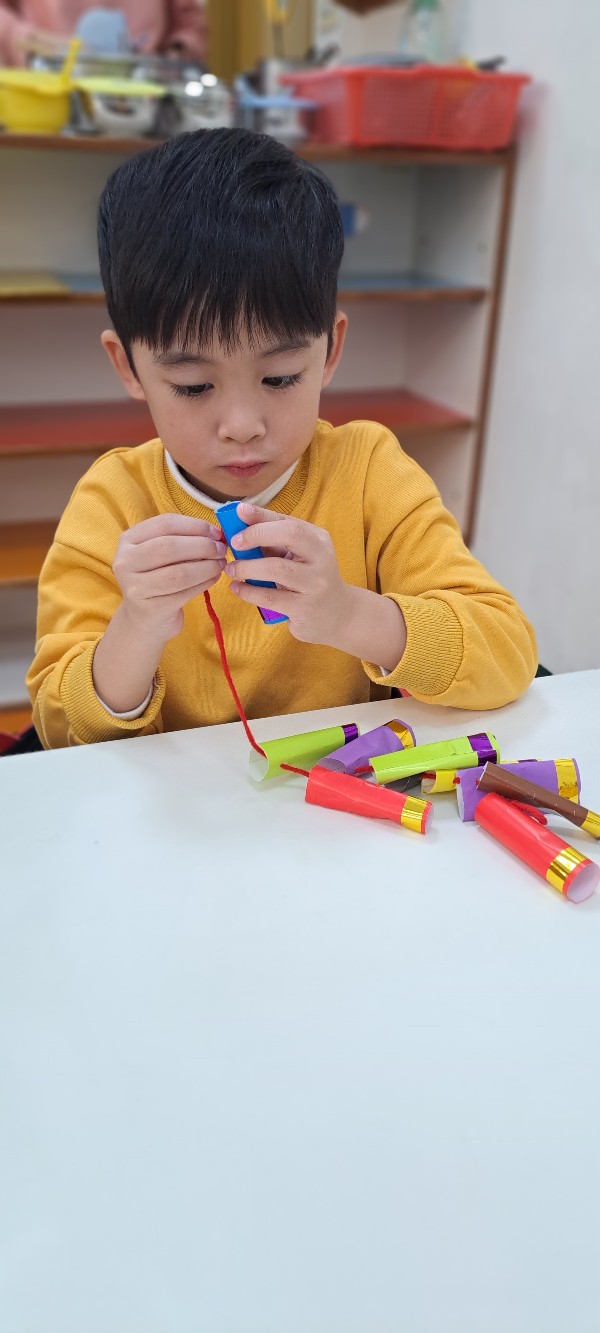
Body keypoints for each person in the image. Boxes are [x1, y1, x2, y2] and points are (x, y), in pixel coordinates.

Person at [27, 128, 537, 748]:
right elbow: (59, 731)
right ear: (128, 366)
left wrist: (348, 613)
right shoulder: (112, 501)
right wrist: (137, 625)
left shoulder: (370, 471)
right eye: (193, 385)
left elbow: (508, 655)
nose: (243, 424)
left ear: (331, 351)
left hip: (343, 793)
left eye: (280, 377)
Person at [0, 0, 207, 66]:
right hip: (48, 88)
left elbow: (189, 24)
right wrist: (25, 38)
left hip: (143, 96)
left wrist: (175, 56)